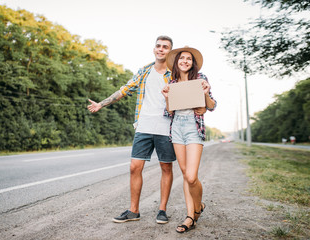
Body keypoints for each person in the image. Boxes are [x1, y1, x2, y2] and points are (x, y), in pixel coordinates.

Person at [87, 36, 194, 224]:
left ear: (170, 51)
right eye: (158, 46)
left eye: (165, 47)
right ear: (154, 49)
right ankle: (133, 211)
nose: (161, 49)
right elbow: (124, 89)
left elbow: (187, 94)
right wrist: (101, 104)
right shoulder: (144, 71)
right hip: (143, 125)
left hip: (166, 126)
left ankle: (162, 210)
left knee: (166, 167)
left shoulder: (175, 74)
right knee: (134, 167)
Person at [161, 46, 217, 233]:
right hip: (177, 127)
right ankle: (191, 215)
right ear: (176, 62)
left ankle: (198, 205)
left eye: (189, 59)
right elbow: (169, 111)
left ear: (192, 63)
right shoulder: (172, 82)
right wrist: (167, 97)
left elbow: (211, 106)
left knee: (192, 176)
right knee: (185, 174)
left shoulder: (200, 79)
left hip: (194, 127)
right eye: (182, 58)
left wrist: (206, 93)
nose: (185, 61)